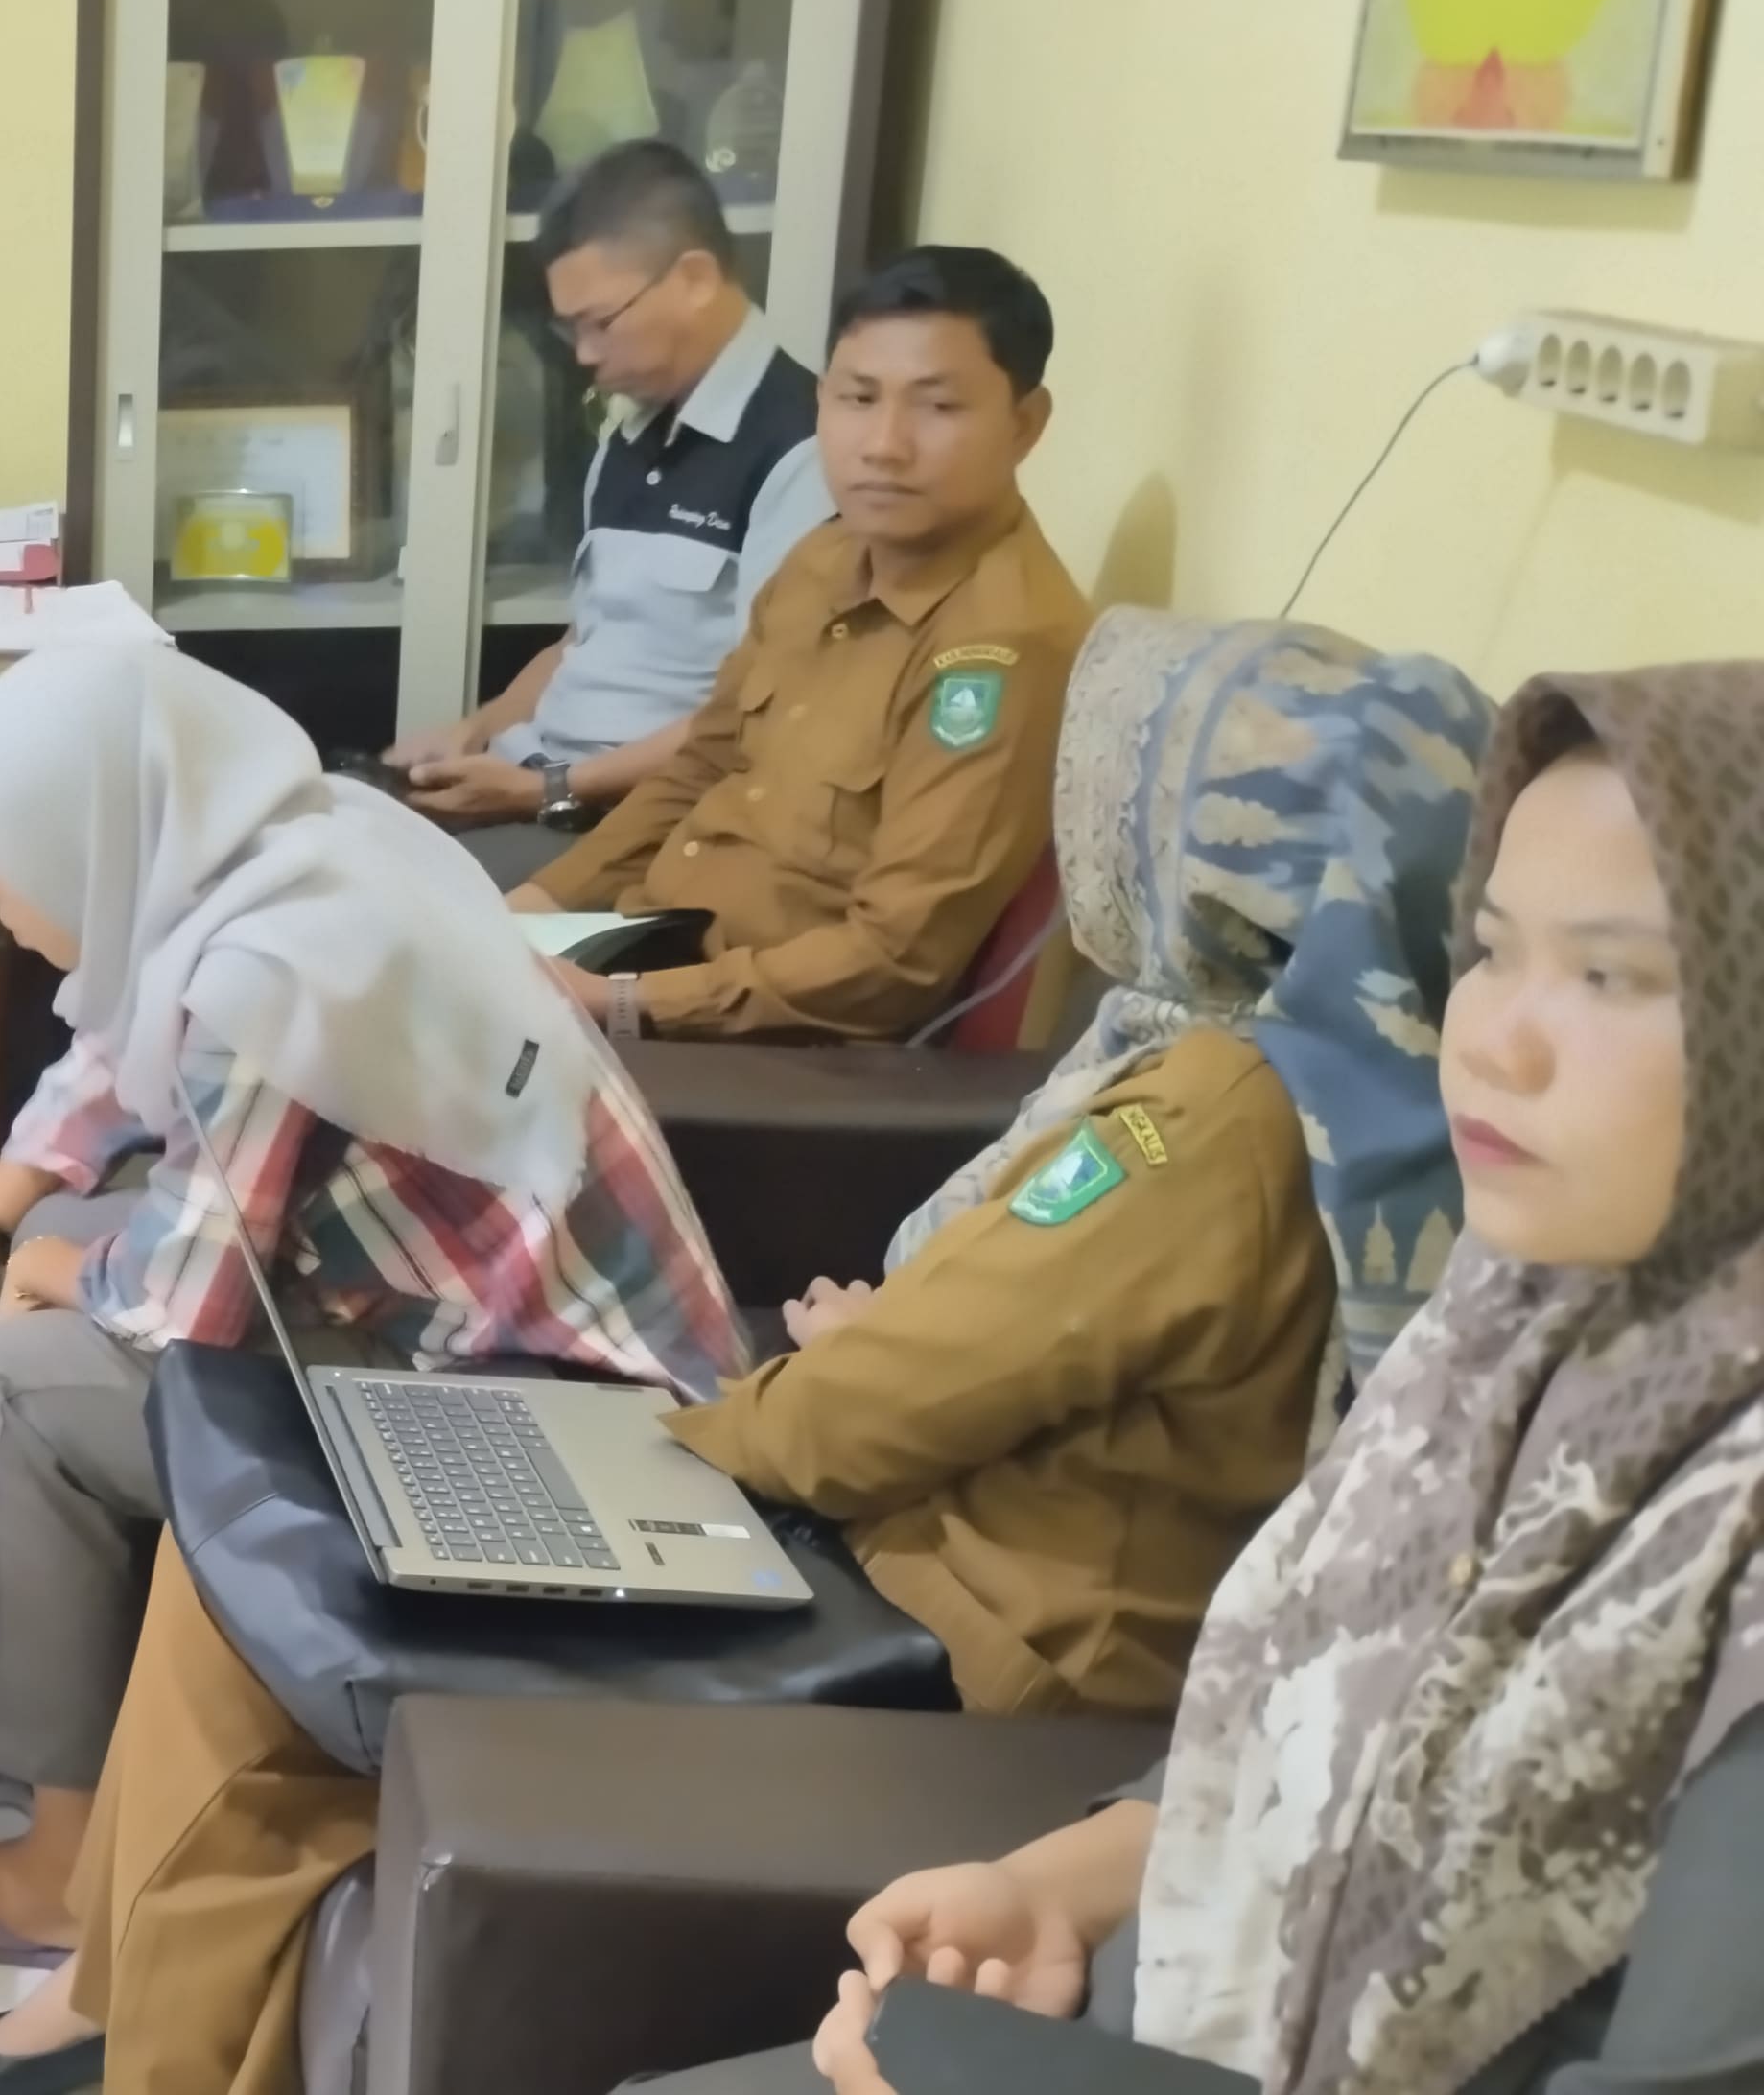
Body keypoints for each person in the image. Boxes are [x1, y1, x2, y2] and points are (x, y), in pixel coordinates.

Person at [0, 611, 1494, 2095]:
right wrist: (888, 1345)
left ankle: (129, 2032)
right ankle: (117, 2010)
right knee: (243, 1569)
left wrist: (703, 1431)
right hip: (899, 1533)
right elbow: (1005, 1344)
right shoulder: (1273, 1079)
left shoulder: (1204, 1118)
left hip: (933, 1612)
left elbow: (881, 1405)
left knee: (253, 1595)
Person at [641, 660, 1764, 2095]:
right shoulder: (1519, 1323)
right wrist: (1063, 1886)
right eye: (1491, 950)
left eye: (1609, 975)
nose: (1497, 1037)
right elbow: (1317, 1724)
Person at [0, 644, 741, 1966]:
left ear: (100, 843)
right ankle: (40, 1706)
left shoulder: (267, 980)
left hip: (569, 1442)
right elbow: (109, 1054)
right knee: (58, 1243)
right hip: (521, 1340)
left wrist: (35, 1273)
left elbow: (174, 1305)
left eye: (6, 857)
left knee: (24, 1381)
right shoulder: (293, 846)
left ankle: (60, 1873)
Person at [513, 246, 1090, 1046]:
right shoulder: (824, 557)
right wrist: (529, 909)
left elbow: (892, 963)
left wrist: (623, 1003)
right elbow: (702, 766)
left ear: (1024, 425)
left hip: (771, 1050)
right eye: (858, 398)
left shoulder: (1000, 649)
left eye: (937, 407)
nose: (883, 445)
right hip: (649, 947)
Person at [381, 141, 832, 886]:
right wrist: (473, 732)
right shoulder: (629, 431)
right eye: (570, 330)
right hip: (539, 783)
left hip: (642, 824)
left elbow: (761, 715)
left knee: (387, 902)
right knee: (320, 835)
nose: (584, 354)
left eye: (600, 322)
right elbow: (582, 641)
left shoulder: (803, 449)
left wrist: (546, 792)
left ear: (693, 280)